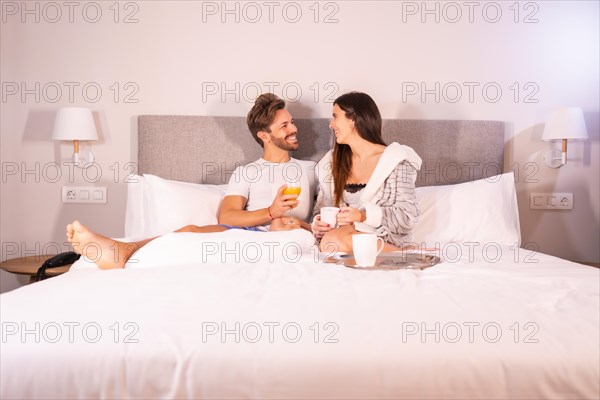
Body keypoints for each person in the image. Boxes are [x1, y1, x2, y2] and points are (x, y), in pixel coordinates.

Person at [67, 93, 315, 269]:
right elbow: (227, 217)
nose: (293, 128)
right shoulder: (246, 173)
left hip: (288, 236)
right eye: (284, 125)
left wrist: (301, 225)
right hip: (248, 233)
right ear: (265, 136)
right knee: (189, 231)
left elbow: (326, 215)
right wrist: (270, 212)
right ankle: (123, 251)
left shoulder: (310, 170)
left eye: (291, 122)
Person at [312, 92, 422, 253]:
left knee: (333, 241)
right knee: (330, 242)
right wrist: (319, 223)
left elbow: (408, 216)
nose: (331, 124)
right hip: (342, 238)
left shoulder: (395, 161)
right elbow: (322, 209)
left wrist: (363, 216)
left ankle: (396, 253)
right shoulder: (331, 163)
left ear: (354, 120)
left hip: (383, 239)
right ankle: (399, 256)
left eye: (335, 116)